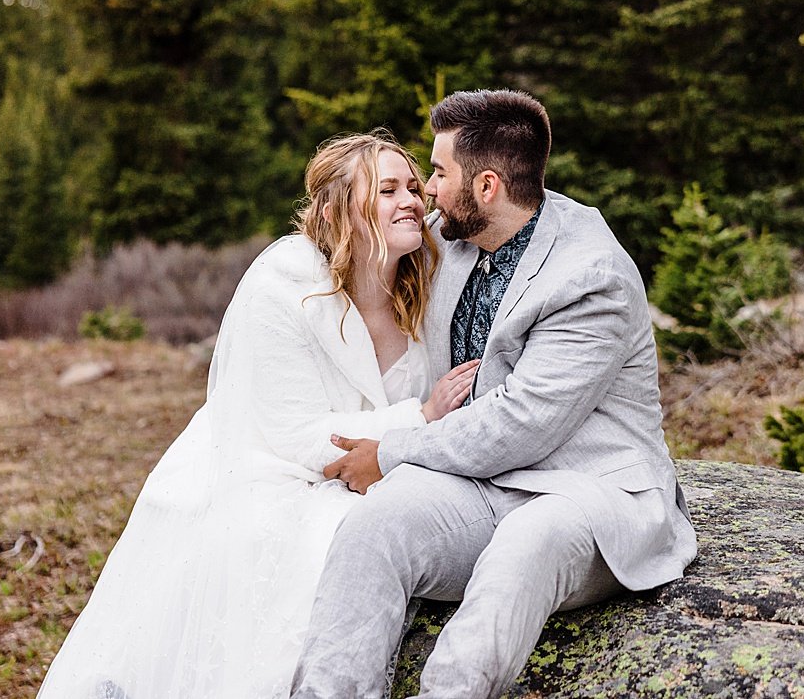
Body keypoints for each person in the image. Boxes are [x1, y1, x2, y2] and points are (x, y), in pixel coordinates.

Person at [37, 132, 482, 699]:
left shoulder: (424, 282)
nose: (413, 201)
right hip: (265, 473)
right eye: (388, 189)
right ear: (337, 208)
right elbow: (296, 438)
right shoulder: (286, 286)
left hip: (375, 475)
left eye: (415, 187)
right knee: (310, 542)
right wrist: (418, 417)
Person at [291, 90, 698, 698]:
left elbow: (521, 423)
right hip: (477, 486)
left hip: (582, 491)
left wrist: (392, 452)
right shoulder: (456, 233)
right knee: (376, 527)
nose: (426, 189)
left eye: (437, 173)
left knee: (524, 547)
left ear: (485, 187)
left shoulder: (591, 275)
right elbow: (367, 236)